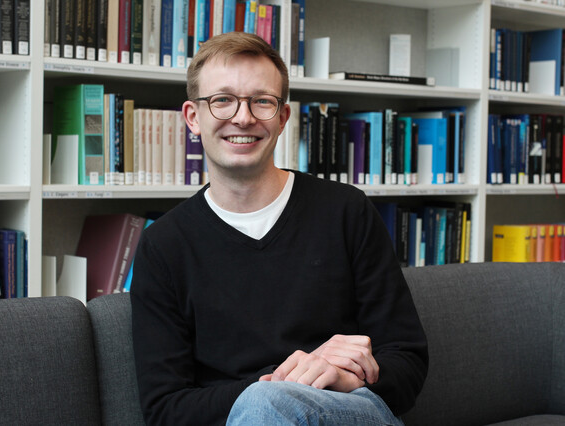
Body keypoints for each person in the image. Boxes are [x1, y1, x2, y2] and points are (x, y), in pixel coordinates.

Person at [131, 31, 428, 426]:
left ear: (283, 117)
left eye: (262, 101)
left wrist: (344, 377)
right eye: (222, 100)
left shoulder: (346, 211)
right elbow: (165, 410)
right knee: (265, 406)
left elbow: (408, 363)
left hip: (347, 410)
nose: (243, 117)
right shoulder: (163, 245)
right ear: (193, 117)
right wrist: (277, 387)